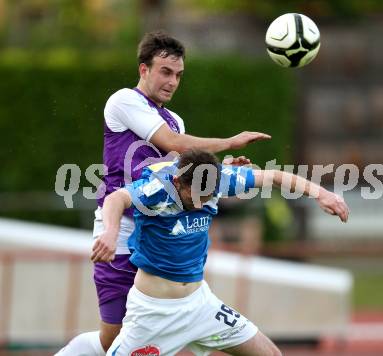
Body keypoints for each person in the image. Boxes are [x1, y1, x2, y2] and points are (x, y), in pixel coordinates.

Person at [55, 31, 270, 356]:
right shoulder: (124, 100)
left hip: (151, 232)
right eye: (165, 72)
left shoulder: (175, 120)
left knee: (137, 341)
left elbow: (183, 174)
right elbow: (173, 143)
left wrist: (222, 166)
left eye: (179, 75)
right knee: (111, 340)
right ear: (144, 69)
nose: (172, 81)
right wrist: (230, 141)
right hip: (119, 228)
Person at [91, 149, 349, 355]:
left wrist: (322, 194)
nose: (203, 201)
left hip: (201, 304)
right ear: (179, 182)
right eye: (196, 195)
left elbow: (273, 176)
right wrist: (110, 233)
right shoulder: (158, 187)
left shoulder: (220, 178)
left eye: (209, 194)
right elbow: (116, 199)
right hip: (153, 313)